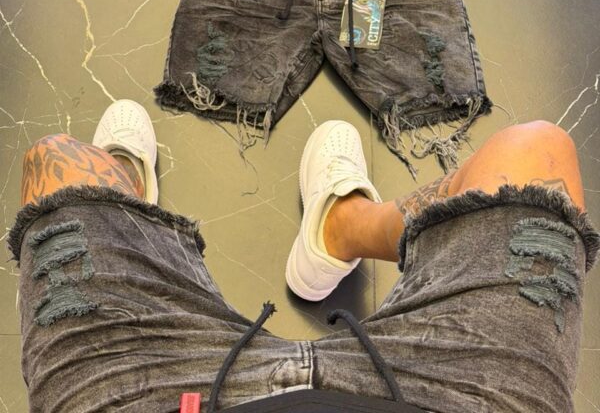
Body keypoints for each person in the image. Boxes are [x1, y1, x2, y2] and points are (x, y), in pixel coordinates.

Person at [9, 99, 598, 412]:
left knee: (55, 163)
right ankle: (342, 226)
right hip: (447, 398)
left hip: (157, 397)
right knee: (535, 152)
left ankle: (129, 205)